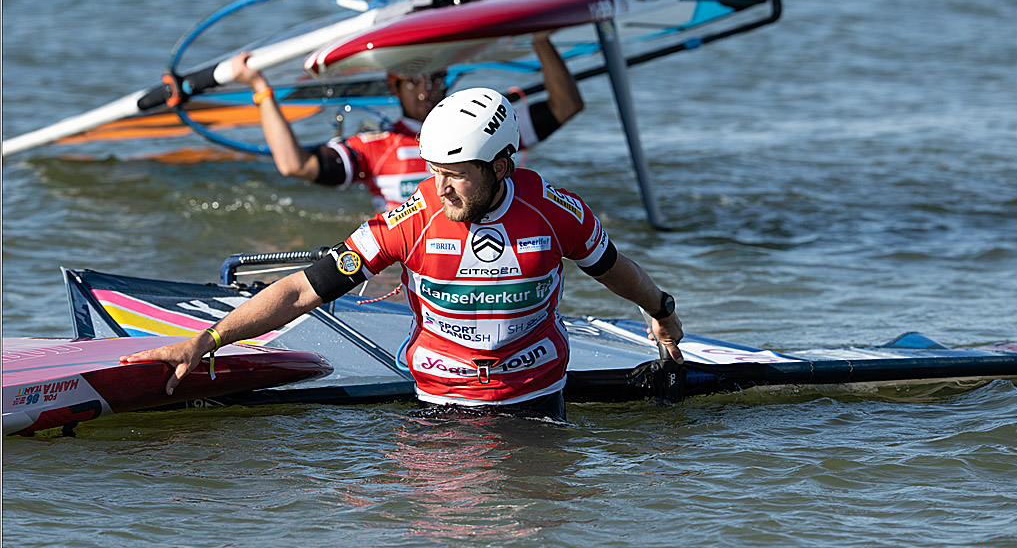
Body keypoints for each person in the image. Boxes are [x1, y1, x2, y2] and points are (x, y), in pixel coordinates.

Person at [122, 88, 683, 420]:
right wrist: (208, 338)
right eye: (434, 172)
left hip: (537, 406)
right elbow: (300, 290)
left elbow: (615, 271)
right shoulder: (407, 221)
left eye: (457, 176)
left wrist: (661, 310)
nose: (440, 188)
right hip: (438, 412)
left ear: (502, 167)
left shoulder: (555, 211)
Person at [231, 33, 584, 211]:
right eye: (417, 81)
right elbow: (295, 165)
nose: (428, 91)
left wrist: (540, 38)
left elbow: (566, 105)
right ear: (394, 86)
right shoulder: (376, 147)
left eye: (436, 79)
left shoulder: (484, 128)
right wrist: (261, 89)